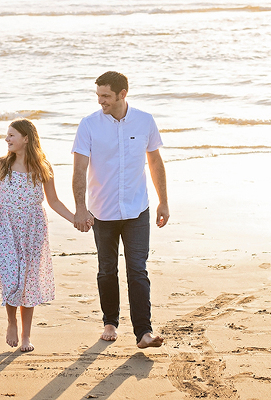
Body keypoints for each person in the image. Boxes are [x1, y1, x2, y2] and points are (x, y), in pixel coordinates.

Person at [72, 71, 169, 349]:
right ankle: (110, 322)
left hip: (138, 209)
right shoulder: (89, 125)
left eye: (106, 96)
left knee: (138, 269)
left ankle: (144, 332)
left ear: (122, 94)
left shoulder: (144, 121)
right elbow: (79, 169)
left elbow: (155, 162)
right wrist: (80, 208)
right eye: (98, 96)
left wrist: (163, 200)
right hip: (102, 210)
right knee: (107, 270)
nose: (101, 101)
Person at [0, 119, 74, 352]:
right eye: (7, 135)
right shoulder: (1, 165)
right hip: (5, 226)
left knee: (28, 281)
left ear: (26, 138)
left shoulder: (42, 167)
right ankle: (11, 322)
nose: (7, 139)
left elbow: (54, 201)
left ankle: (26, 336)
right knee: (10, 277)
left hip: (33, 228)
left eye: (11, 135)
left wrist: (75, 218)